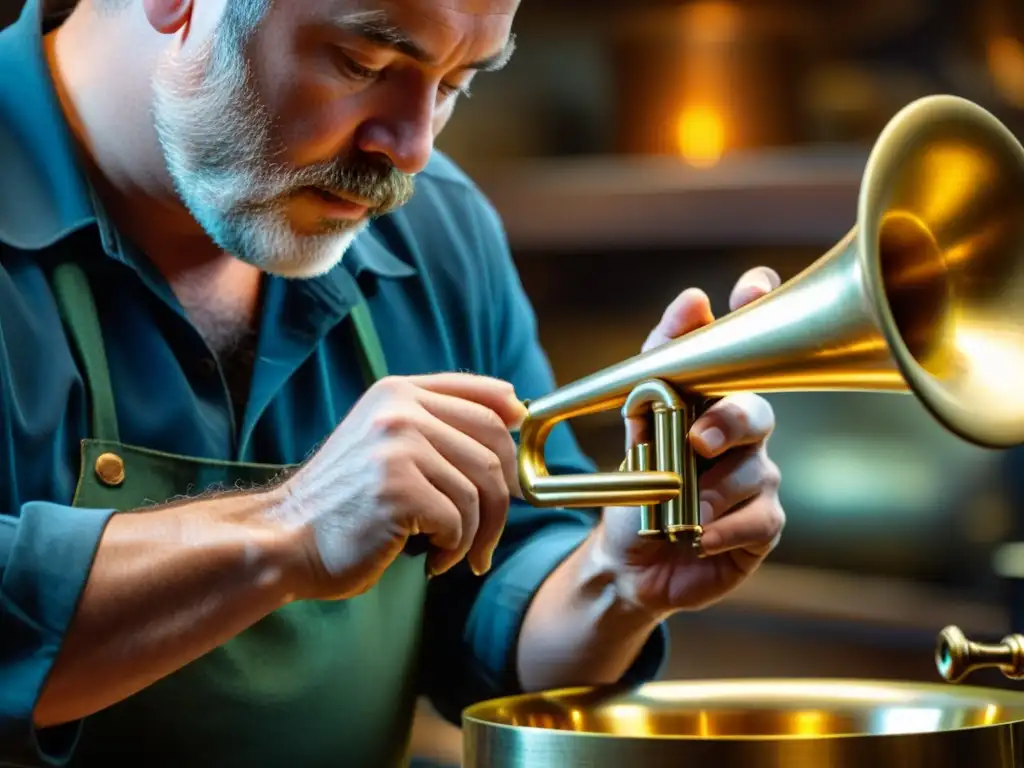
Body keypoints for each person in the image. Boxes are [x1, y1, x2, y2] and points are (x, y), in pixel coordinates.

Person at [0, 0, 786, 765]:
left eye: (453, 85)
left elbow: (489, 614)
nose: (410, 149)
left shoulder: (440, 228)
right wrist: (288, 525)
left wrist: (614, 581)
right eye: (361, 61)